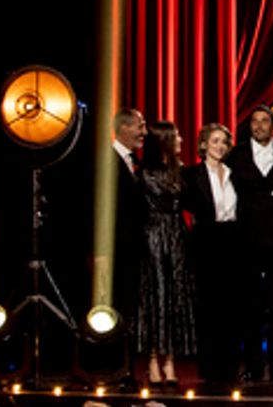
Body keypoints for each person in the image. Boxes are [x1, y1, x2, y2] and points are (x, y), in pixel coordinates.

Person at [225, 105, 273, 385]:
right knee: (250, 307)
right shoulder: (236, 155)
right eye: (254, 121)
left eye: (264, 121)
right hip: (247, 239)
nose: (259, 126)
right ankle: (253, 364)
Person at [137, 120, 196, 388]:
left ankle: (170, 360)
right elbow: (164, 196)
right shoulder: (146, 173)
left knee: (174, 295)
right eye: (176, 137)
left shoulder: (181, 170)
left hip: (176, 234)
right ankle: (152, 359)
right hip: (154, 234)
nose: (181, 141)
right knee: (156, 296)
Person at [183, 123, 243, 388]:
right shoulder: (191, 175)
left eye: (224, 142)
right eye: (215, 141)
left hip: (232, 241)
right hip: (206, 242)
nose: (220, 146)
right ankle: (210, 365)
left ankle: (230, 365)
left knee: (231, 306)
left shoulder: (234, 174)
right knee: (208, 306)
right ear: (204, 144)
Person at [110, 108, 147, 390]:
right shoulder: (107, 161)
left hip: (132, 249)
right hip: (113, 251)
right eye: (139, 126)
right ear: (123, 128)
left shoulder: (134, 161)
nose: (143, 132)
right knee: (115, 308)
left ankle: (125, 368)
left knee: (129, 308)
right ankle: (112, 367)